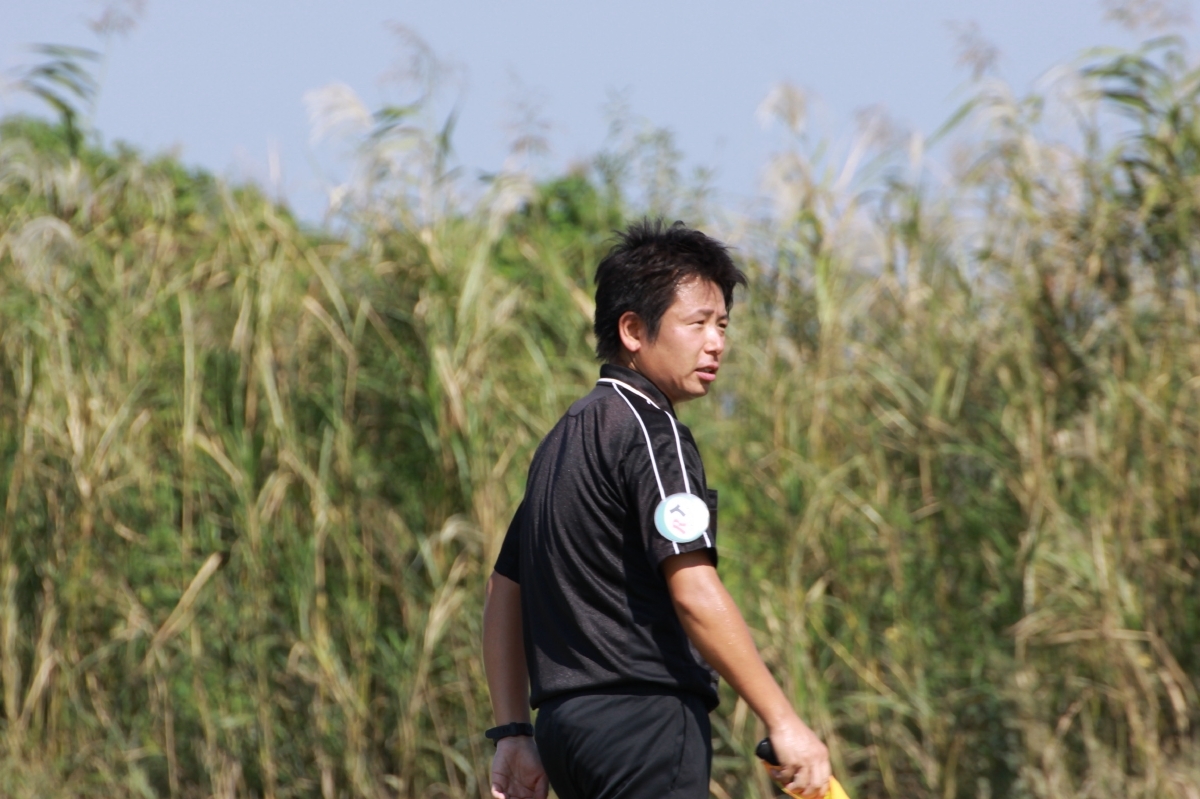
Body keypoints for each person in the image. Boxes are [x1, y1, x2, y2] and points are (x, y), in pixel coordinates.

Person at [482, 220, 830, 799]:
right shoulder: (651, 430)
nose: (716, 343)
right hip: (644, 725)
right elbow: (693, 591)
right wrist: (783, 720)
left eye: (722, 325)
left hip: (566, 734)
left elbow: (502, 589)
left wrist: (513, 731)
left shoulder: (563, 439)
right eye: (697, 323)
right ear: (633, 330)